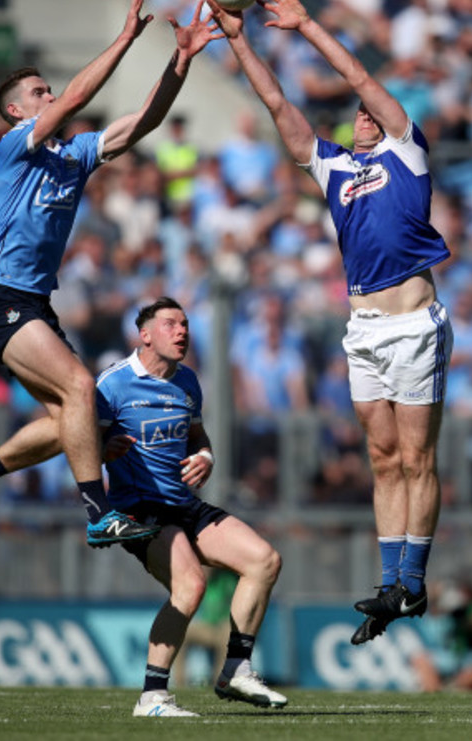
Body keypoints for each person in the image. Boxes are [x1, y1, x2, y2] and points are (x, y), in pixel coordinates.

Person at [0, 0, 222, 550]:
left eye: (48, 89)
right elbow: (72, 101)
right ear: (17, 110)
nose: (50, 95)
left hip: (32, 301)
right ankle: (98, 512)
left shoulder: (75, 153)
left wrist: (179, 61)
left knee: (77, 422)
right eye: (38, 92)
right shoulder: (16, 145)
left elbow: (143, 122)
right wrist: (123, 39)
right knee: (82, 389)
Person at [206, 0, 454, 645]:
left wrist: (307, 26)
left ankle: (414, 578)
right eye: (358, 115)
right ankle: (390, 581)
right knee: (380, 455)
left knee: (415, 455)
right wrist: (238, 41)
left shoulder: (406, 149)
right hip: (364, 328)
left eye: (370, 113)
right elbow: (276, 101)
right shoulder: (333, 166)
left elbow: (359, 74)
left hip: (412, 321)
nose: (364, 116)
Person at [97, 296, 286, 717]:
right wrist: (101, 450)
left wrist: (206, 456)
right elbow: (80, 448)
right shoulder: (111, 384)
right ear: (144, 335)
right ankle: (152, 697)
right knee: (191, 586)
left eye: (184, 324)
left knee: (264, 561)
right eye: (170, 324)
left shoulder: (188, 382)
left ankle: (236, 669)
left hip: (184, 504)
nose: (182, 331)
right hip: (140, 508)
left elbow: (197, 437)